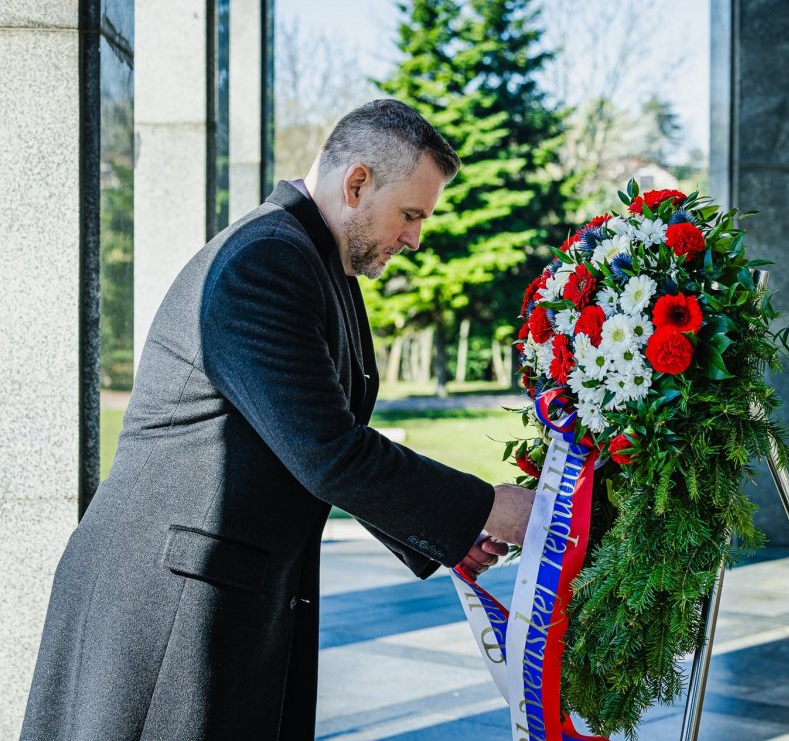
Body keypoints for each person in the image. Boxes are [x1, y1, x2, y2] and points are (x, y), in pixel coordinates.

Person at [19, 99, 534, 740]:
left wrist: (446, 533)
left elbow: (315, 435)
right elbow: (328, 452)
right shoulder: (266, 259)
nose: (415, 238)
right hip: (162, 614)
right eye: (411, 214)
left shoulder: (314, 261)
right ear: (356, 183)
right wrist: (493, 507)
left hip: (216, 597)